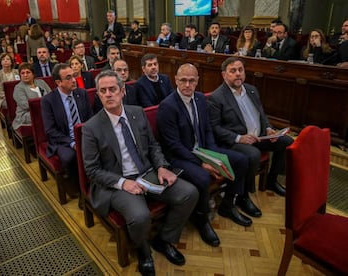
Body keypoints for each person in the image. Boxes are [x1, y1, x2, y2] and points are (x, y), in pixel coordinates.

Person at [82, 70, 199, 275]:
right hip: (118, 182)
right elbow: (92, 170)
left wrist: (162, 166)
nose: (108, 94)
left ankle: (163, 240)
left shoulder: (137, 112)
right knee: (140, 216)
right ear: (98, 95)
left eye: (112, 89)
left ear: (122, 91)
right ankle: (144, 251)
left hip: (147, 173)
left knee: (189, 193)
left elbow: (153, 146)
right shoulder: (91, 127)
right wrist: (122, 183)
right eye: (103, 91)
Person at [158, 63, 259, 246]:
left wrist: (213, 155)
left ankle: (228, 204)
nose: (187, 85)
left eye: (191, 81)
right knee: (204, 177)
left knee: (242, 160)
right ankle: (202, 218)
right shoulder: (168, 106)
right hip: (180, 156)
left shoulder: (200, 99)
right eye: (183, 80)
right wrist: (202, 162)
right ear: (176, 80)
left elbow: (207, 130)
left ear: (197, 81)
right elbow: (174, 145)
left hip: (203, 150)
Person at [208, 57, 294, 197]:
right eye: (233, 71)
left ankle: (271, 180)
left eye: (240, 70)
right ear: (224, 75)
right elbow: (215, 128)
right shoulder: (217, 97)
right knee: (254, 154)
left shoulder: (251, 89)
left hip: (260, 136)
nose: (238, 74)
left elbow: (261, 114)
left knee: (286, 142)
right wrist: (239, 138)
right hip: (236, 141)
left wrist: (268, 128)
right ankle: (244, 194)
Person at [41, 63, 93, 181]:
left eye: (73, 76)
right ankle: (79, 186)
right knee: (69, 157)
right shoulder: (48, 100)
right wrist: (72, 143)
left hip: (85, 136)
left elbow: (90, 118)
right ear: (58, 82)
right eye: (68, 78)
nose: (74, 80)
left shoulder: (82, 93)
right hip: (63, 140)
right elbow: (51, 130)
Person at [12, 63, 51, 130]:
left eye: (28, 72)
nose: (25, 75)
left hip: (45, 110)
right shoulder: (18, 88)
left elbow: (51, 96)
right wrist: (46, 106)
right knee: (44, 115)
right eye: (22, 73)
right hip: (26, 114)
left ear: (33, 74)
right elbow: (26, 105)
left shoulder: (41, 82)